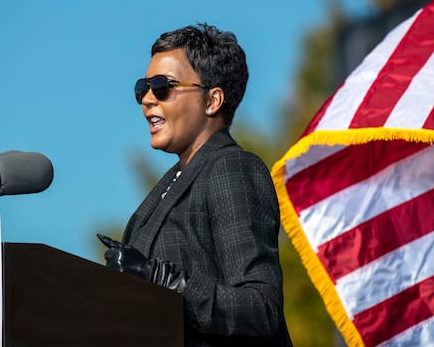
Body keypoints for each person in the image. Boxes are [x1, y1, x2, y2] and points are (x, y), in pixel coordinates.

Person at [98, 23, 292, 346]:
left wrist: (165, 281)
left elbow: (262, 307)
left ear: (212, 100)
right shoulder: (166, 188)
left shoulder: (232, 168)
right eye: (143, 87)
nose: (147, 99)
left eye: (162, 86)